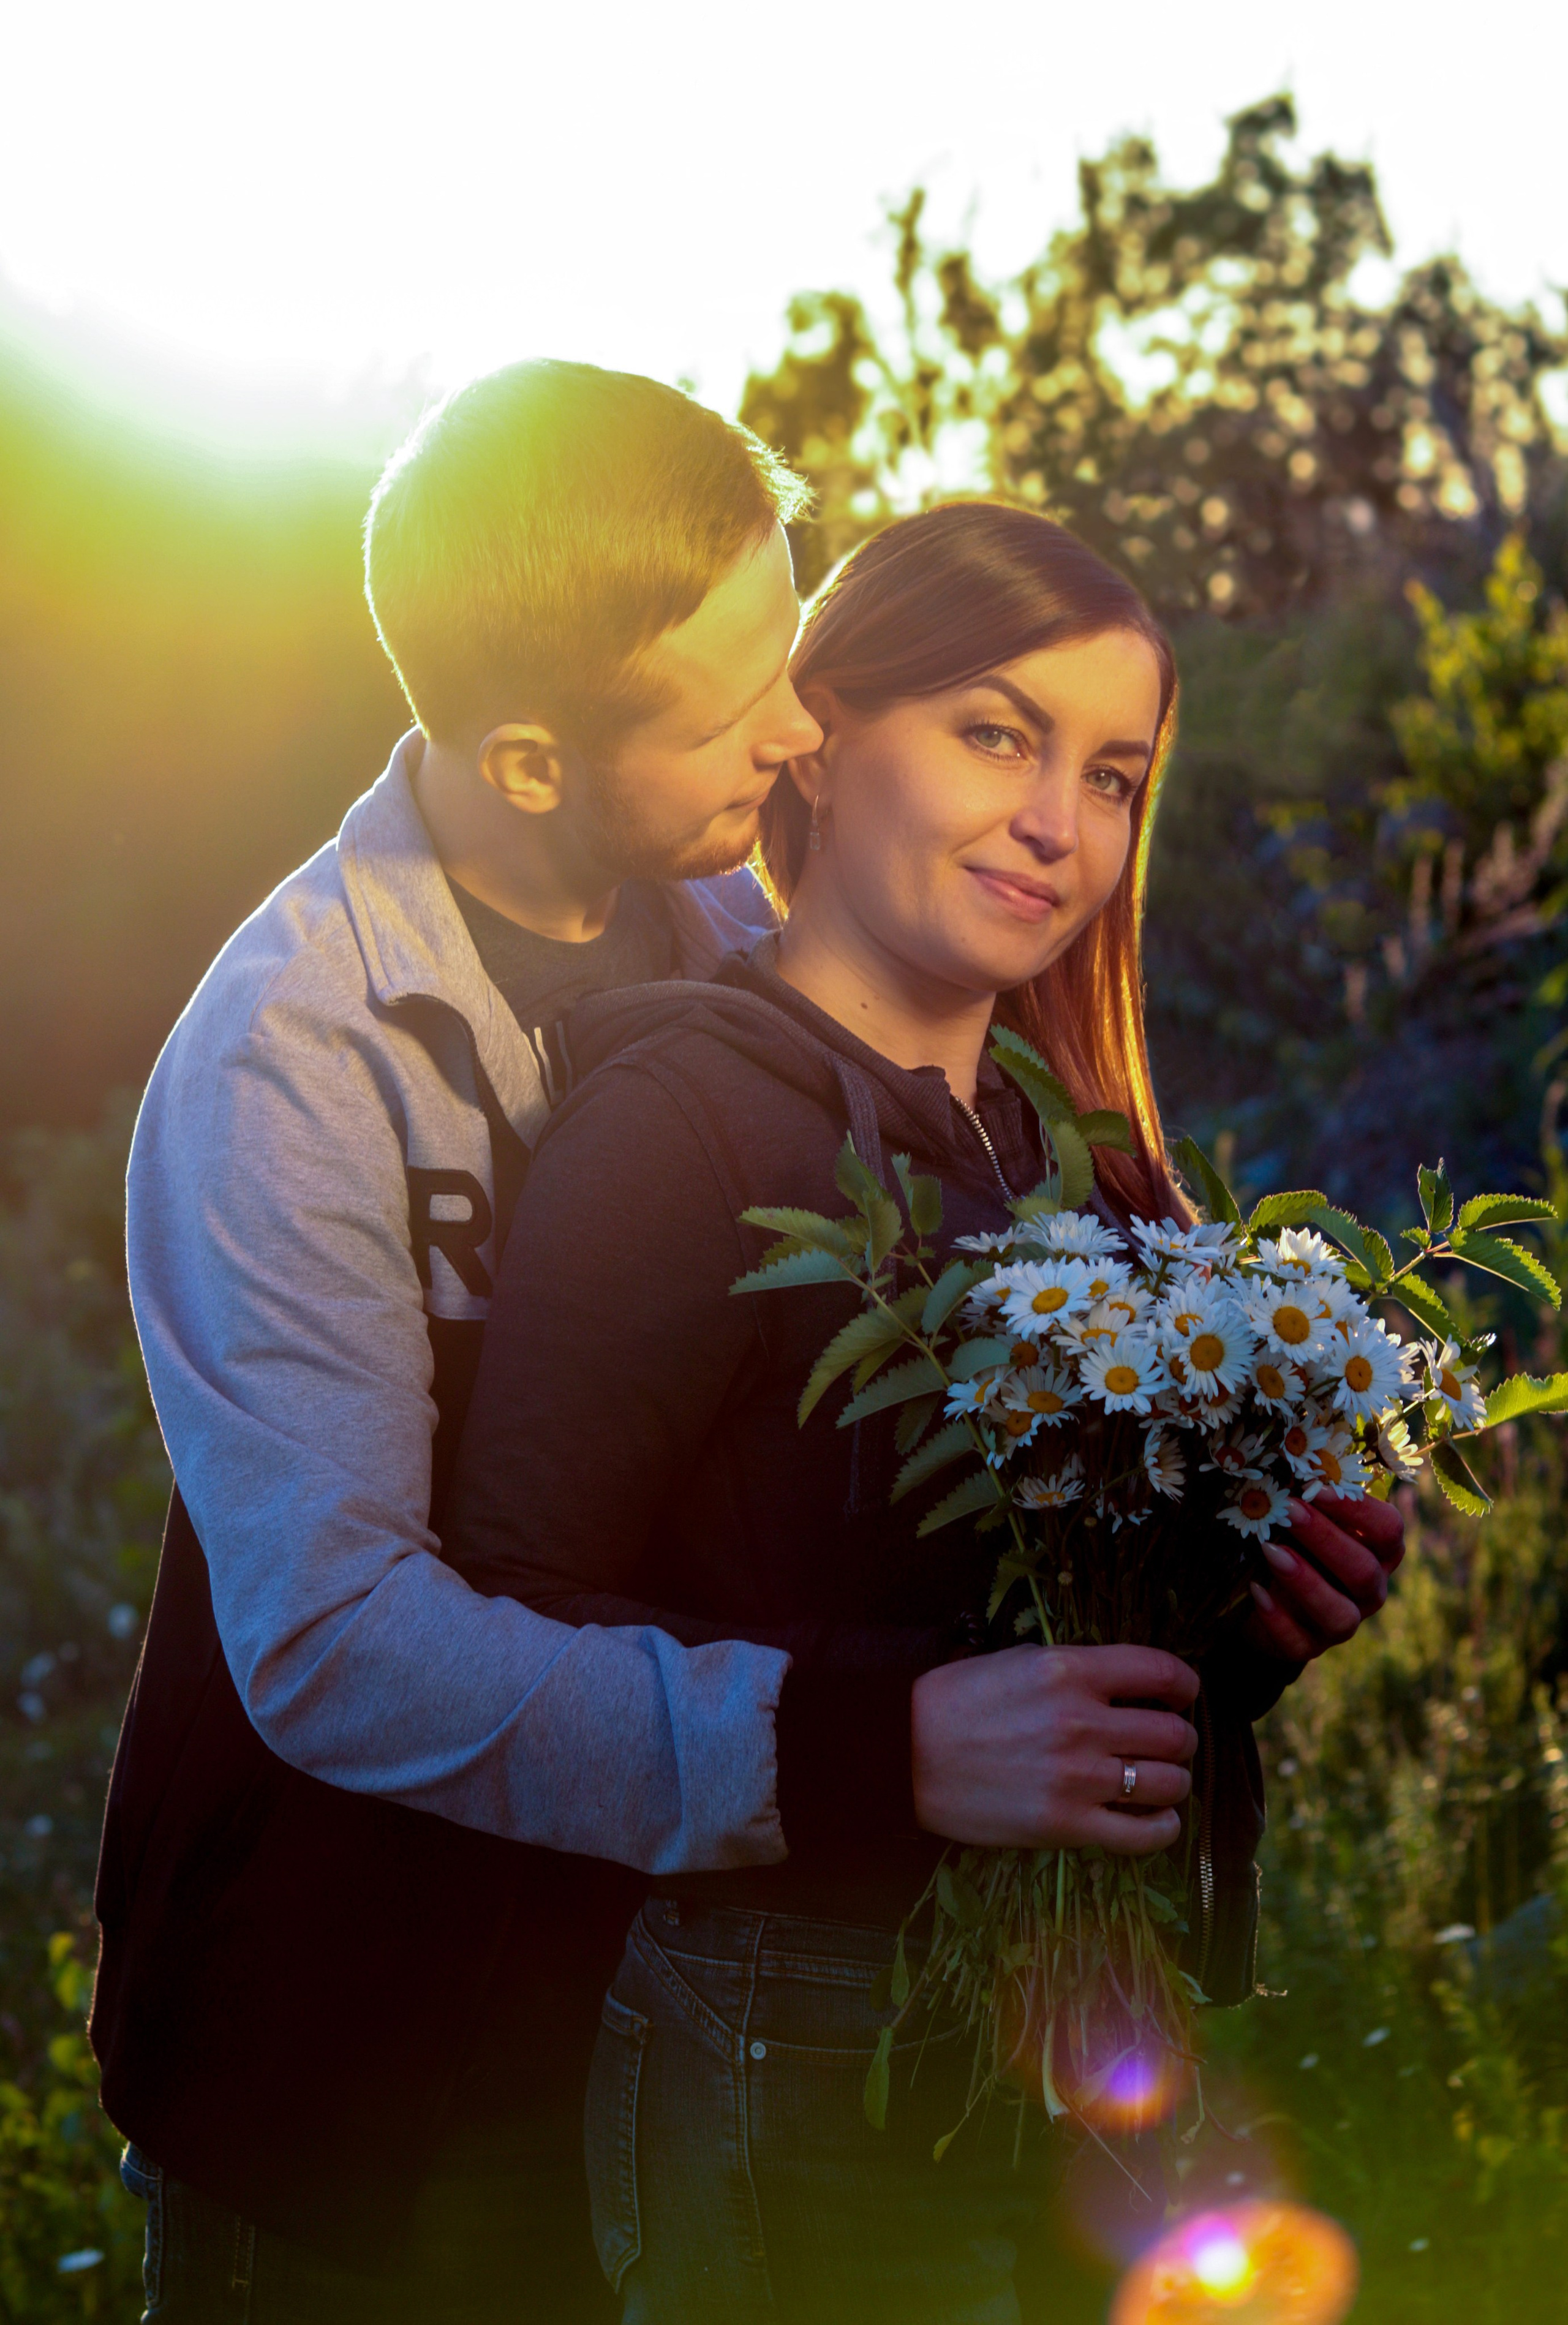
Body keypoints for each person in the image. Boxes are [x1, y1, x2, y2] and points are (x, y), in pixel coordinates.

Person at [94, 366, 1286, 2324]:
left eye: (792, 643)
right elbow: (327, 1642)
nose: (804, 720)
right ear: (537, 760)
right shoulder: (289, 1061)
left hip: (633, 2017)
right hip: (354, 2053)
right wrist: (869, 1744)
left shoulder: (743, 946)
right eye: (742, 700)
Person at [441, 501, 1408, 2324]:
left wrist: (1250, 1607)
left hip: (1077, 2058)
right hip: (791, 2046)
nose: (1062, 819)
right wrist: (884, 1736)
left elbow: (1036, 1633)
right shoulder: (676, 1133)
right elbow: (507, 1633)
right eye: (995, 731)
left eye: (1113, 772)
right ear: (822, 731)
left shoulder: (1074, 1160)